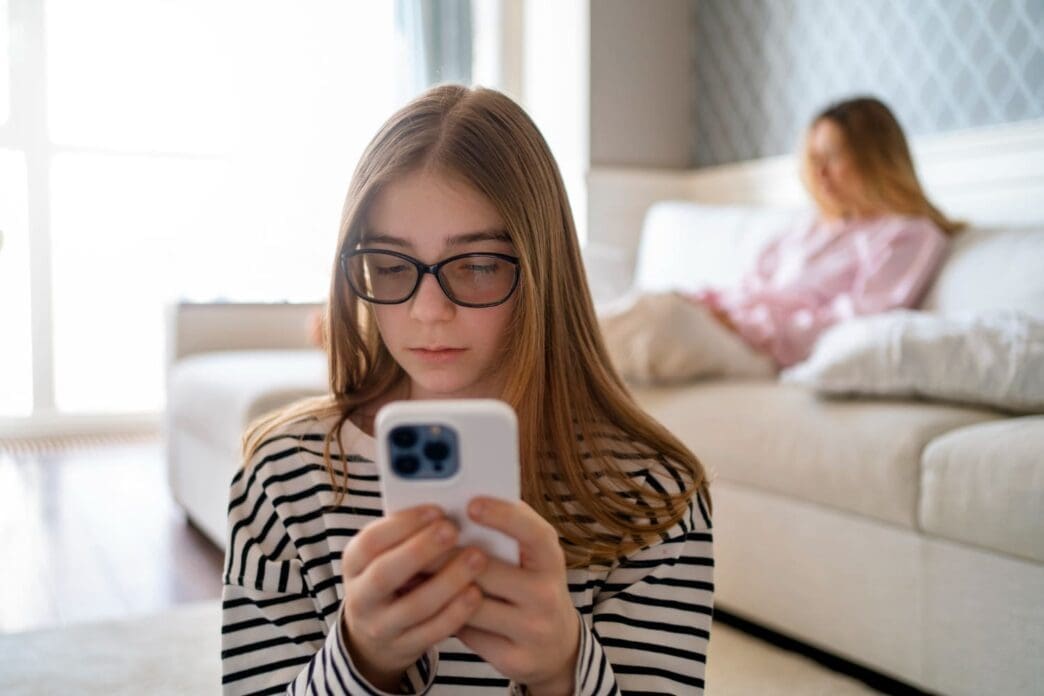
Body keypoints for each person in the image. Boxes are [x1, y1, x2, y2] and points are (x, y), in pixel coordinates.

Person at [221, 85, 714, 695]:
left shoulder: (653, 495)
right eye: (393, 266)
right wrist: (360, 662)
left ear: (542, 270)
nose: (429, 310)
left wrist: (564, 670)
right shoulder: (282, 477)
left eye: (478, 265)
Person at [600, 96, 961, 384]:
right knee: (638, 310)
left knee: (656, 317)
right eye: (814, 158)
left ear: (875, 159)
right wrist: (709, 306)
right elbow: (749, 287)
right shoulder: (807, 229)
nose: (819, 173)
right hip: (732, 327)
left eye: (833, 157)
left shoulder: (907, 235)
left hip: (767, 353)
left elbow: (856, 323)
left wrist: (747, 325)